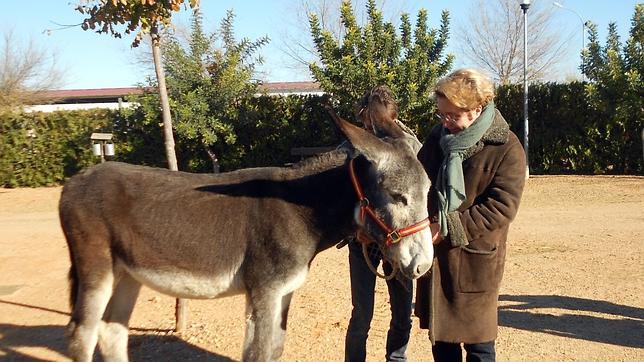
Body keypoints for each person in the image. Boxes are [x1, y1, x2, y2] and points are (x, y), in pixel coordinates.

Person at [415, 68, 527, 361]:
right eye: (441, 115)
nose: (445, 122)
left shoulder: (507, 148)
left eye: (452, 115)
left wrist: (448, 227)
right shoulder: (438, 137)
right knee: (442, 345)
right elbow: (419, 181)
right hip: (437, 258)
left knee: (479, 348)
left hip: (476, 259)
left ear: (477, 108)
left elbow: (501, 208)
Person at [343, 85, 421, 362]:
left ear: (392, 116)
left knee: (402, 312)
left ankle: (396, 358)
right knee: (361, 313)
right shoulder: (351, 148)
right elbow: (343, 195)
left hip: (400, 242)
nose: (372, 127)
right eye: (367, 122)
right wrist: (358, 228)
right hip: (363, 244)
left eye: (377, 120)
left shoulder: (412, 148)